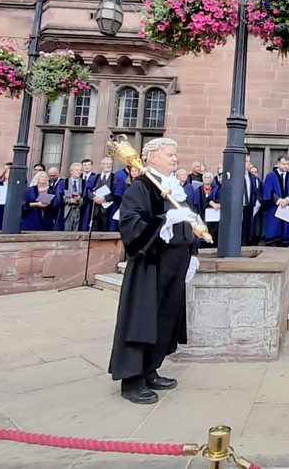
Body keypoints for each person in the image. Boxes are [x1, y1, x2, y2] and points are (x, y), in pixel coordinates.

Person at [108, 137, 194, 405]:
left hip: (176, 262)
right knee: (144, 319)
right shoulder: (142, 187)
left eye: (175, 154)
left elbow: (189, 223)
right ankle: (132, 381)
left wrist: (193, 253)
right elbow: (131, 224)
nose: (174, 159)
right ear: (152, 157)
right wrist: (164, 221)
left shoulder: (174, 187)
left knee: (166, 316)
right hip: (152, 263)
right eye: (169, 154)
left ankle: (150, 369)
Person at [261, 155, 289, 248]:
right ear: (278, 164)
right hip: (274, 208)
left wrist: (287, 199)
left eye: (287, 164)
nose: (285, 166)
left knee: (286, 238)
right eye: (283, 164)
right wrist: (278, 200)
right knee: (274, 234)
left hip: (287, 208)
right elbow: (268, 191)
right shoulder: (270, 176)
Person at [85, 157, 126, 232]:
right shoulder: (93, 178)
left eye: (110, 164)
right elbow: (88, 190)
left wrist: (104, 198)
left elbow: (119, 194)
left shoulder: (117, 179)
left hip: (109, 211)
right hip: (95, 210)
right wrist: (94, 197)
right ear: (101, 165)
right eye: (106, 164)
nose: (108, 166)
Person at [192, 172, 222, 246]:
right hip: (202, 214)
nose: (207, 179)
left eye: (209, 178)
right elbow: (195, 203)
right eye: (205, 177)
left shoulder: (216, 189)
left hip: (213, 215)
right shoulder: (198, 190)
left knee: (213, 231)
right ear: (203, 179)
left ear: (212, 179)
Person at [241, 157, 262, 247]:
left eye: (249, 161)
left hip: (249, 205)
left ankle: (245, 243)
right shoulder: (236, 175)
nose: (248, 163)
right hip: (239, 205)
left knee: (247, 226)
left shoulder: (252, 177)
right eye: (246, 161)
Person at [60, 163, 87, 231]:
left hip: (79, 209)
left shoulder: (84, 183)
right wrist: (69, 200)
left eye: (80, 170)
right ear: (71, 171)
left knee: (77, 229)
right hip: (67, 209)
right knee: (67, 229)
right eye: (77, 170)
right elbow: (59, 196)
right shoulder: (64, 182)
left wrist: (79, 200)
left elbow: (86, 195)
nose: (79, 172)